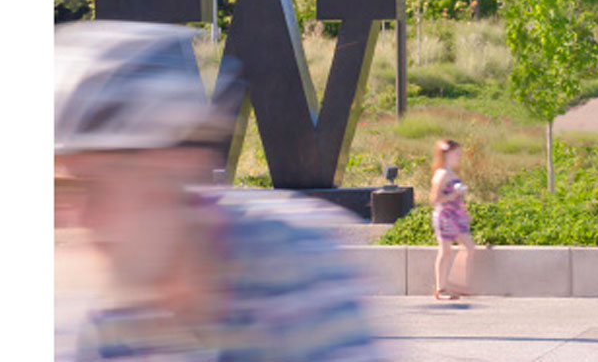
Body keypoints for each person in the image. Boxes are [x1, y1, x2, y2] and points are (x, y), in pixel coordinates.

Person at [54, 21, 382, 360]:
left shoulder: (295, 269)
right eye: (66, 189)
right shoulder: (99, 322)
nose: (81, 218)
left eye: (100, 186)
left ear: (178, 164)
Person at [430, 138, 477, 300]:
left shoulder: (451, 173)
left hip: (456, 217)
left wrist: (463, 212)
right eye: (457, 153)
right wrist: (453, 195)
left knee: (469, 246)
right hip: (445, 217)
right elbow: (434, 198)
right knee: (445, 251)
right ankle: (441, 289)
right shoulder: (442, 174)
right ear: (448, 153)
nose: (459, 156)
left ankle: (458, 284)